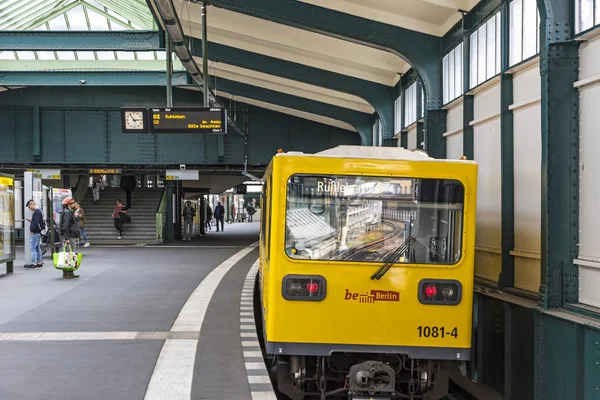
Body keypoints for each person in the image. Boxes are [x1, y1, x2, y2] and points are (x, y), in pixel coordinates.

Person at [59, 197, 80, 279]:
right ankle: (69, 273)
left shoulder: (66, 212)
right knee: (69, 254)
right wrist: (67, 237)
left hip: (66, 235)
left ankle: (66, 272)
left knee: (66, 254)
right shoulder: (68, 213)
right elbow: (66, 226)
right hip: (69, 235)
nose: (74, 204)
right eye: (73, 203)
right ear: (69, 204)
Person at [24, 199, 44, 269]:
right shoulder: (39, 211)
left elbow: (35, 222)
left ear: (31, 205)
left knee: (33, 248)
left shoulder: (36, 212)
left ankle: (34, 263)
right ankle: (40, 262)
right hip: (38, 232)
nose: (30, 209)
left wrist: (32, 230)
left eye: (29, 207)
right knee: (37, 248)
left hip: (35, 232)